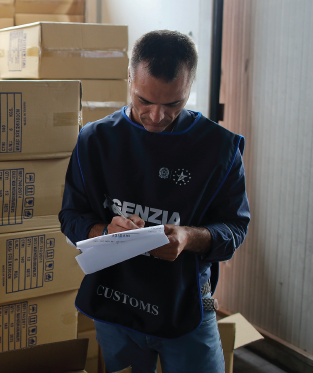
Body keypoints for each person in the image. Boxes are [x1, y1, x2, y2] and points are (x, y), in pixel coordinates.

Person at [60, 30, 250, 373]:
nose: (157, 116)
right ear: (130, 79)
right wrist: (105, 231)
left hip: (186, 305)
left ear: (190, 86)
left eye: (173, 104)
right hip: (115, 302)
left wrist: (188, 238)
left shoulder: (218, 150)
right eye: (144, 100)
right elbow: (71, 216)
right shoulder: (96, 140)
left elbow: (235, 228)